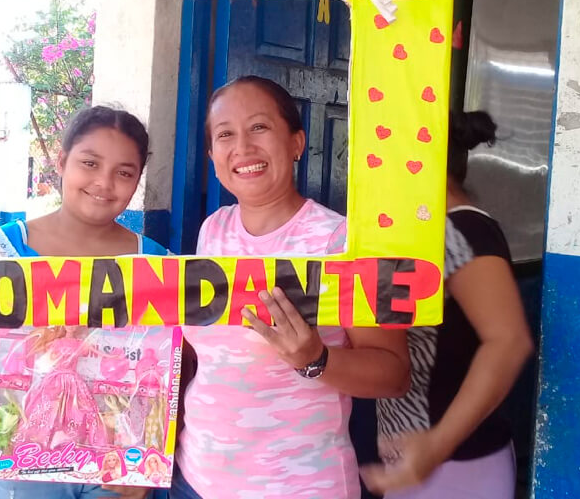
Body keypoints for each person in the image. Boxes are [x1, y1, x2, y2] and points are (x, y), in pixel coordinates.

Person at [0, 105, 171, 499]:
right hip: (22, 460)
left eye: (124, 172)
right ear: (61, 162)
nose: (104, 182)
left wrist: (149, 462)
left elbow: (164, 371)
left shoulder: (158, 264)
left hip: (118, 466)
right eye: (90, 163)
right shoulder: (0, 252)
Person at [171, 75, 411, 499]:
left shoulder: (344, 244)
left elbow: (394, 375)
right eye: (225, 134)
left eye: (259, 127)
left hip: (298, 487)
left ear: (296, 143)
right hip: (195, 479)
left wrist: (315, 359)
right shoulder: (213, 229)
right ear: (212, 156)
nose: (242, 147)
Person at [362, 111, 534, 499]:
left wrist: (437, 445)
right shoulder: (422, 235)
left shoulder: (463, 229)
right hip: (419, 464)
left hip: (458, 466)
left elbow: (508, 342)